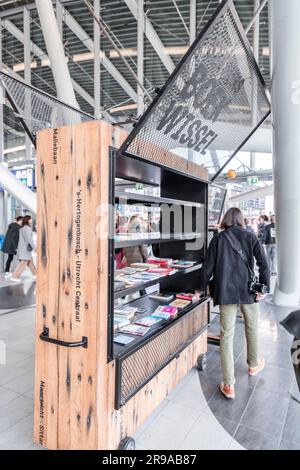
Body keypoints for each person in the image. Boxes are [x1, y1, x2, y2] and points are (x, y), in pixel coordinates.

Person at [198, 207, 270, 400]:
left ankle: (228, 384)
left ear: (225, 220)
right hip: (248, 291)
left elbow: (207, 269)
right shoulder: (251, 236)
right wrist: (264, 286)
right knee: (252, 327)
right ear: (241, 220)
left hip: (226, 291)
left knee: (226, 335)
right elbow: (264, 263)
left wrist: (199, 288)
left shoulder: (219, 239)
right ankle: (254, 364)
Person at [11, 215, 36, 282]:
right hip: (25, 249)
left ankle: (35, 274)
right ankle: (15, 276)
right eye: (30, 219)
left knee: (30, 261)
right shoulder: (27, 228)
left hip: (23, 248)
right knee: (24, 262)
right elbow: (29, 240)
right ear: (28, 220)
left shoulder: (22, 228)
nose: (32, 220)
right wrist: (35, 248)